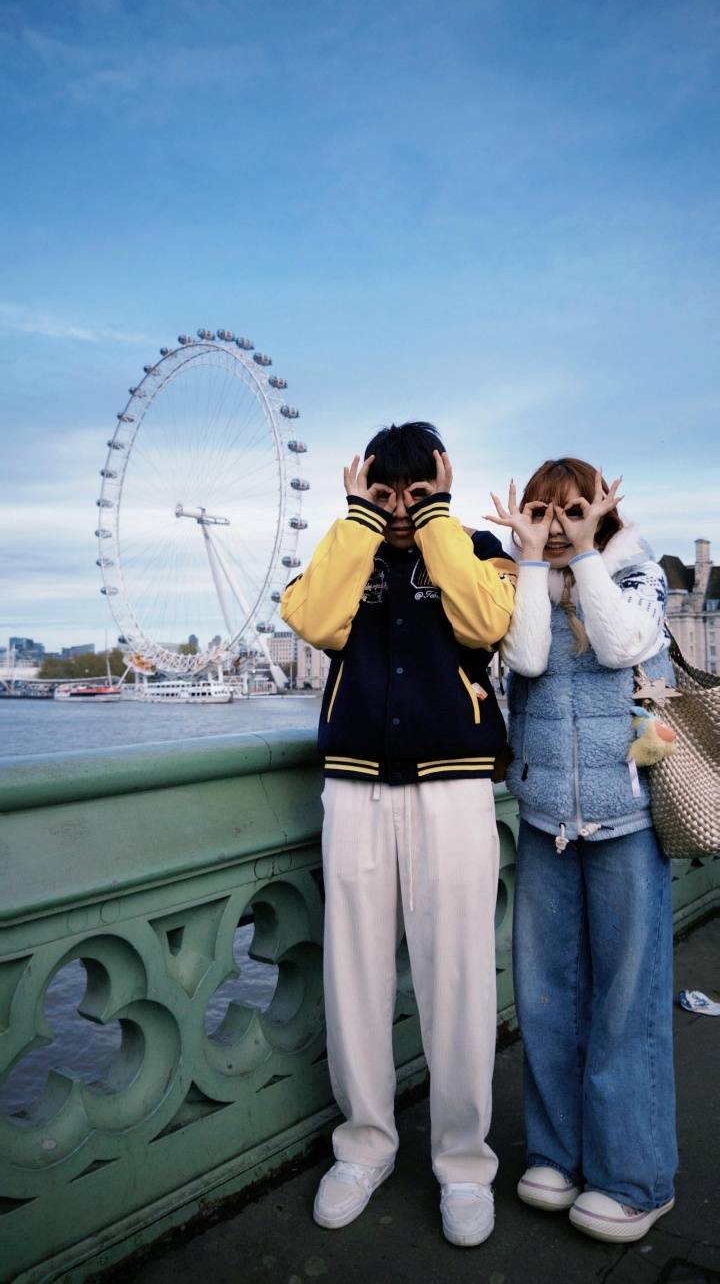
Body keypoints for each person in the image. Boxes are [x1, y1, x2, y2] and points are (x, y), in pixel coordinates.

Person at [280, 422, 517, 1246]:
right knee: (353, 975)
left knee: (460, 978)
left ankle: (464, 1162)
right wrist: (359, 520)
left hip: (454, 785)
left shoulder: (479, 549)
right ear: (366, 491)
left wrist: (442, 517)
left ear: (442, 485)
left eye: (418, 493)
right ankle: (365, 1147)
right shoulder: (349, 551)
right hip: (354, 784)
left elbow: (486, 624)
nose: (404, 509)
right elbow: (315, 621)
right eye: (389, 493)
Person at [486, 458, 678, 1243]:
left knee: (627, 1003)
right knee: (546, 997)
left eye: (574, 509)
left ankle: (635, 1177)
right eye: (542, 510)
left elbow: (620, 641)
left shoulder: (639, 573)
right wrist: (533, 561)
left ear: (601, 509)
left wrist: (591, 553)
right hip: (544, 821)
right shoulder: (522, 581)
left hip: (625, 821)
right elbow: (528, 658)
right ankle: (557, 1155)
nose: (559, 524)